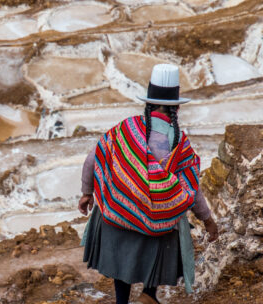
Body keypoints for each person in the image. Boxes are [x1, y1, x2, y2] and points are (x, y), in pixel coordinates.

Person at [78, 64, 219, 304]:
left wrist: (87, 193)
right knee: (167, 228)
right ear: (175, 106)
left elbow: (94, 157)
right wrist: (208, 220)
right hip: (157, 225)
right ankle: (149, 295)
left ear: (149, 102)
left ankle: (122, 300)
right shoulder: (179, 143)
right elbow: (192, 190)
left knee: (121, 260)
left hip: (120, 214)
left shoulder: (126, 129)